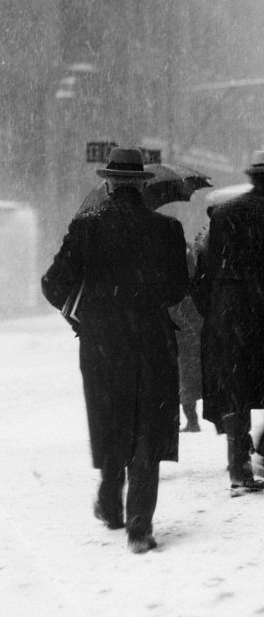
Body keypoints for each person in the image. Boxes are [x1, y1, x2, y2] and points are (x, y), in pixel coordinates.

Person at [41, 147, 189, 553]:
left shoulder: (87, 226)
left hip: (103, 340)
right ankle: (140, 525)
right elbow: (178, 289)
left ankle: (110, 501)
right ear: (143, 185)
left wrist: (82, 310)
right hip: (152, 338)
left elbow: (53, 283)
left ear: (108, 184)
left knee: (111, 416)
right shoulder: (167, 229)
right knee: (148, 424)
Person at [192, 149, 264, 496]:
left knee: (236, 391)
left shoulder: (225, 214)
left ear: (252, 177)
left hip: (231, 316)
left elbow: (206, 272)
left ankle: (239, 467)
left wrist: (212, 313)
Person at [172, 242, 204, 432]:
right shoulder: (194, 284)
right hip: (191, 331)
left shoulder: (177, 288)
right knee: (188, 377)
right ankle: (191, 420)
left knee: (184, 378)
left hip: (182, 334)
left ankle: (191, 421)